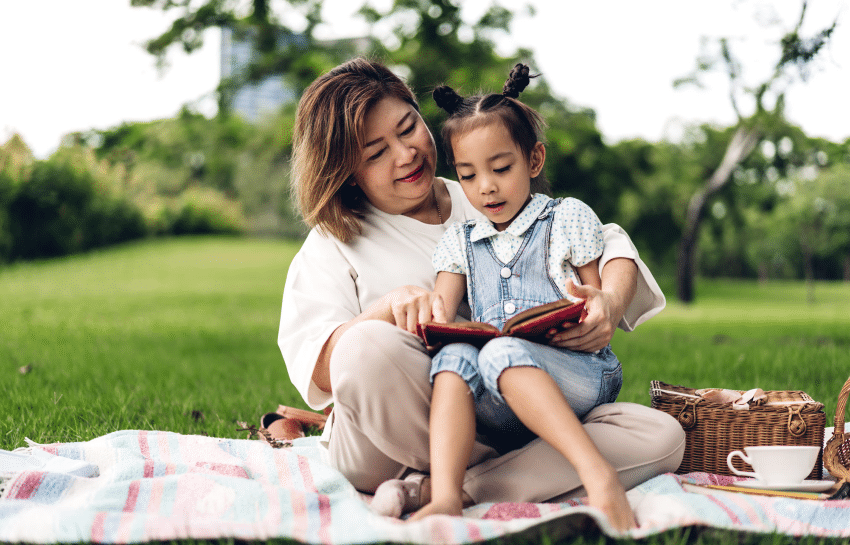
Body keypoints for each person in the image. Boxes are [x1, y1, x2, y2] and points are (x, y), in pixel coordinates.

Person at [277, 57, 685, 531]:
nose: (405, 154)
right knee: (365, 347)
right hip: (391, 435)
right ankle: (521, 471)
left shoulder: (482, 190)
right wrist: (386, 310)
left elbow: (605, 239)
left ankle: (444, 489)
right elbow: (325, 364)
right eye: (375, 153)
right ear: (348, 172)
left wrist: (609, 300)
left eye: (408, 129)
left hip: (512, 411)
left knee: (660, 435)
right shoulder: (334, 242)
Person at [405, 65, 631, 525]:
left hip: (580, 371)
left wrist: (598, 305)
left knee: (501, 352)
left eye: (501, 168)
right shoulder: (460, 242)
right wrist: (435, 320)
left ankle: (599, 477)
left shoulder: (565, 218)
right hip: (499, 385)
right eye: (468, 175)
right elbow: (443, 316)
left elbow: (597, 299)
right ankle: (448, 495)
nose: (485, 186)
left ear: (533, 160)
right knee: (454, 360)